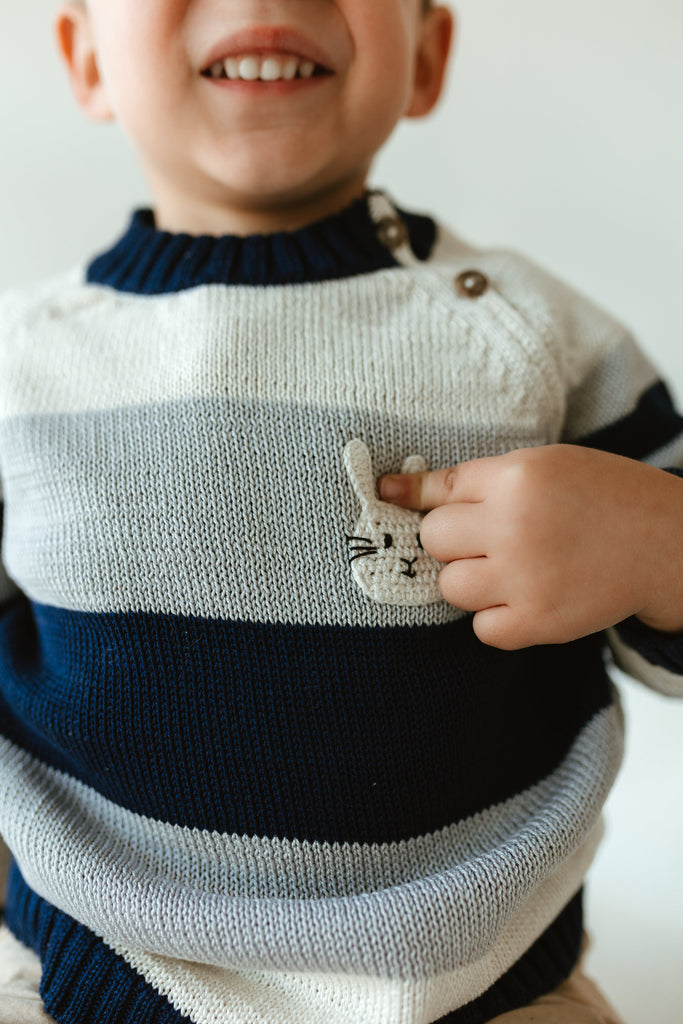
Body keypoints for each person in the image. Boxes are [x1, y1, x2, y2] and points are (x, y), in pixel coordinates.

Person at [0, 1, 681, 1022]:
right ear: (87, 58)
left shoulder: (532, 339)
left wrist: (657, 544)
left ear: (426, 55)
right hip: (92, 972)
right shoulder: (21, 364)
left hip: (485, 983)